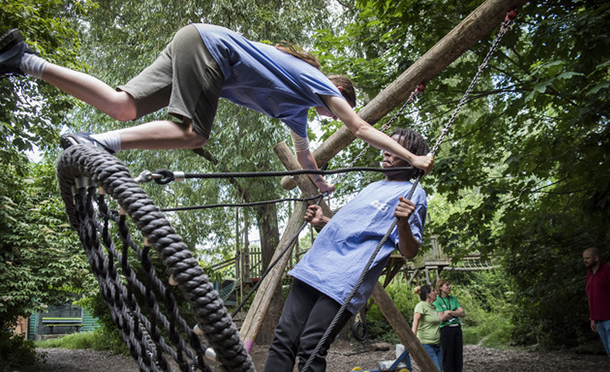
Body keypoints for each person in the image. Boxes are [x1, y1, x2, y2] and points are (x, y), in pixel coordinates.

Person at [0, 26, 433, 193]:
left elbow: (304, 157)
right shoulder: (318, 83)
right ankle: (97, 143)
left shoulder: (297, 110)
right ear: (337, 88)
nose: (329, 116)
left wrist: (319, 187)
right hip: (211, 49)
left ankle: (23, 60)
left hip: (193, 41)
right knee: (194, 134)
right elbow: (356, 126)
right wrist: (414, 158)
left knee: (122, 106)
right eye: (335, 107)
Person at [264, 128, 429, 372]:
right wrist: (323, 222)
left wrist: (403, 223)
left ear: (412, 156)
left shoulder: (413, 193)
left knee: (311, 346)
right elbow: (356, 227)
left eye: (395, 148)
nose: (386, 151)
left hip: (344, 280)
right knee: (283, 339)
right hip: (315, 266)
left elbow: (409, 251)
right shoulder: (373, 186)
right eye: (387, 146)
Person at [583, 247, 610, 372]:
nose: (585, 261)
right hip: (598, 320)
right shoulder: (589, 275)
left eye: (587, 258)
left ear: (597, 258)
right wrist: (592, 318)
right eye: (584, 258)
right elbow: (590, 297)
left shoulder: (609, 271)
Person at [434, 278, 465, 372]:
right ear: (440, 287)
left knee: (458, 354)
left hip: (456, 328)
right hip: (446, 329)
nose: (449, 287)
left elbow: (462, 313)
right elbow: (442, 318)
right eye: (447, 285)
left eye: (449, 285)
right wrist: (456, 312)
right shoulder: (437, 301)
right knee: (448, 355)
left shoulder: (453, 299)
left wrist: (450, 312)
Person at [413, 284, 442, 371]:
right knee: (436, 370)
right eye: (433, 291)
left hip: (438, 344)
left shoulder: (434, 307)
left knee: (441, 368)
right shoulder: (421, 305)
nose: (436, 292)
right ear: (428, 294)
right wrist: (414, 337)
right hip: (426, 344)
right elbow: (415, 321)